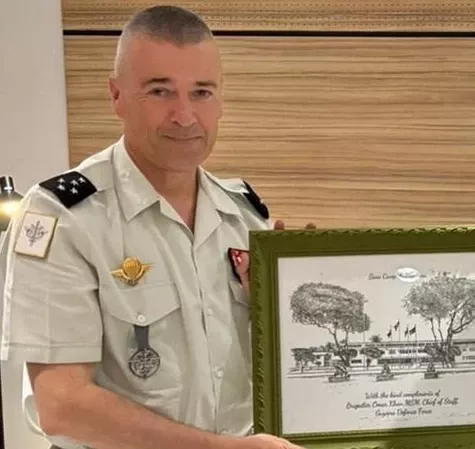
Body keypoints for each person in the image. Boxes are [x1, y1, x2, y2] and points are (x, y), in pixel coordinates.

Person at [0, 5, 310, 449]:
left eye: (201, 92)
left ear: (221, 99)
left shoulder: (243, 215)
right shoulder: (62, 217)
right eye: (160, 91)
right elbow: (62, 406)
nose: (185, 116)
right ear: (117, 96)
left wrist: (301, 288)